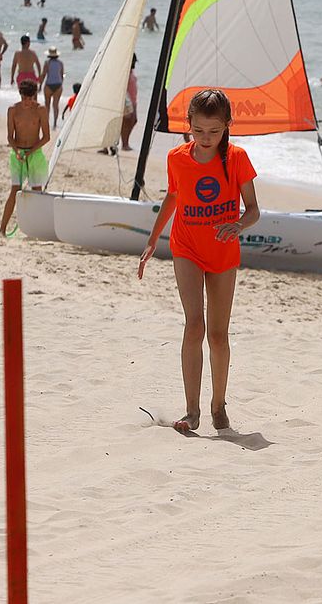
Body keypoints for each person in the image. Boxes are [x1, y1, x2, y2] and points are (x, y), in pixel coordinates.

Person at [138, 89, 259, 432]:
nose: (206, 139)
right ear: (188, 125)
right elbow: (173, 197)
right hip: (186, 246)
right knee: (195, 325)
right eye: (199, 131)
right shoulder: (177, 158)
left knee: (218, 335)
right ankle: (192, 411)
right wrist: (151, 241)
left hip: (223, 251)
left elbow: (253, 210)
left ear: (227, 127)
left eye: (214, 131)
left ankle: (218, 405)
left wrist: (237, 225)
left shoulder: (237, 159)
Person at [0, 80, 50, 234]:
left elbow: (46, 137)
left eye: (30, 98)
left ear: (34, 95)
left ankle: (38, 230)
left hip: (35, 154)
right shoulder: (13, 110)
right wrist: (17, 151)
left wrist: (30, 152)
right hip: (18, 154)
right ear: (20, 95)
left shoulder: (40, 110)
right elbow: (10, 136)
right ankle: (2, 229)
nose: (27, 102)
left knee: (36, 191)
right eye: (24, 98)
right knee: (15, 190)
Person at [42, 46, 65, 125]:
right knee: (55, 105)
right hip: (58, 84)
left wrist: (39, 85)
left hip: (49, 84)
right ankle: (55, 123)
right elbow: (61, 75)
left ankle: (47, 122)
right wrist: (61, 84)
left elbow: (44, 74)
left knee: (47, 104)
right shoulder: (60, 63)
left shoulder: (47, 63)